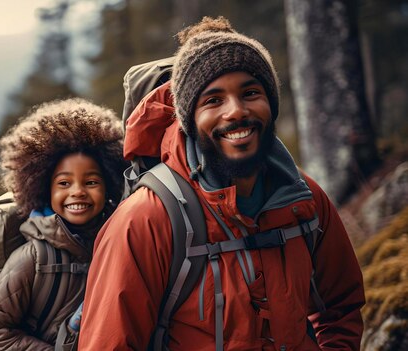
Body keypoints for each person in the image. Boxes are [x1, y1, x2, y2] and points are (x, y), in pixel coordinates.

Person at [79, 16, 365, 350]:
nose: (236, 111)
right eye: (213, 100)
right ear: (189, 118)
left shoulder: (304, 198)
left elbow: (341, 307)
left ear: (271, 104)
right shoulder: (145, 219)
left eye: (251, 92)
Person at [0, 98, 126, 350]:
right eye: (64, 183)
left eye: (91, 182)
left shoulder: (117, 242)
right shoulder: (32, 258)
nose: (77, 192)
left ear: (109, 186)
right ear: (44, 189)